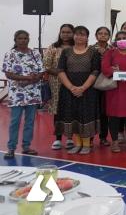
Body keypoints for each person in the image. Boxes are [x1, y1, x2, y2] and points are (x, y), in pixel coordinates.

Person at [56, 26, 101, 155]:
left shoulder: (93, 52)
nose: (79, 37)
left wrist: (83, 88)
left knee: (85, 116)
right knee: (73, 115)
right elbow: (60, 70)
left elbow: (95, 71)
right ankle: (77, 144)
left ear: (87, 37)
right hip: (68, 90)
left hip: (88, 91)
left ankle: (86, 145)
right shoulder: (66, 52)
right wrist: (71, 87)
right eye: (77, 34)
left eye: (83, 35)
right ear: (73, 36)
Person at [2, 30, 43, 159]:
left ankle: (26, 147)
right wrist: (26, 78)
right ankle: (11, 148)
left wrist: (31, 80)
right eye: (20, 38)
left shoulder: (35, 53)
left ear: (28, 39)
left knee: (30, 122)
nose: (23, 40)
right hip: (17, 93)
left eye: (25, 38)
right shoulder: (10, 54)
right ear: (15, 40)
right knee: (15, 121)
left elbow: (41, 71)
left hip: (33, 93)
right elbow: (8, 73)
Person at [43, 23, 75, 150]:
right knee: (58, 111)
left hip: (74, 82)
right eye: (63, 32)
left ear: (73, 33)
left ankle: (70, 138)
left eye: (68, 32)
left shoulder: (76, 47)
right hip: (56, 83)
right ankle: (57, 138)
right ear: (60, 33)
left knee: (71, 110)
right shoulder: (53, 47)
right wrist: (61, 74)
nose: (65, 34)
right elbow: (46, 65)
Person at [93, 26, 112, 147]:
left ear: (109, 36)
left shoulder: (113, 50)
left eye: (105, 33)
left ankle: (103, 137)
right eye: (100, 33)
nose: (103, 35)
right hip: (92, 83)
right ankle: (89, 138)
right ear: (96, 36)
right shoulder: (90, 49)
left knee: (104, 111)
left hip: (107, 83)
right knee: (92, 111)